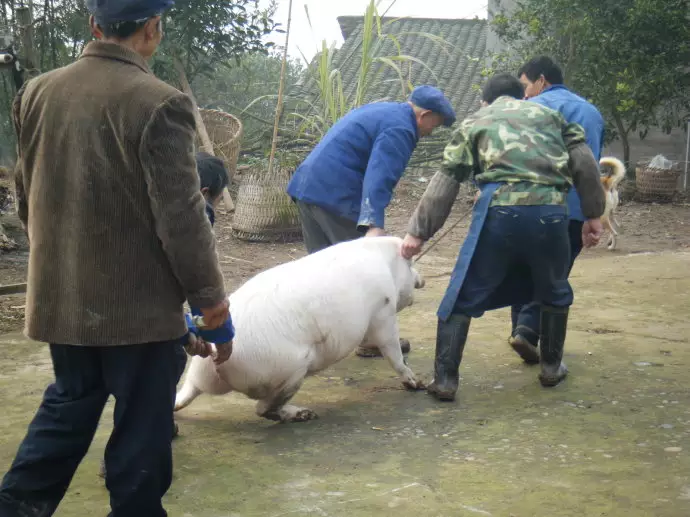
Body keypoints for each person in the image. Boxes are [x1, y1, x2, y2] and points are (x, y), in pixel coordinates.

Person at [0, 2, 231, 516]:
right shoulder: (160, 102)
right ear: (152, 29)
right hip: (139, 314)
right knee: (142, 431)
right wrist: (211, 303)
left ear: (94, 27)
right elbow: (183, 220)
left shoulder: (35, 92)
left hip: (63, 302)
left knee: (68, 409)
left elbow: (25, 191)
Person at [401, 73, 606, 402]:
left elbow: (446, 180)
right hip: (552, 214)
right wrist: (594, 215)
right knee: (554, 291)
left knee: (462, 295)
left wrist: (418, 233)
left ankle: (445, 380)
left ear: (486, 101)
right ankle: (551, 368)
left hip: (501, 213)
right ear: (522, 97)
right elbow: (586, 164)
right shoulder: (553, 116)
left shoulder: (477, 119)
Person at [287, 85, 456, 358]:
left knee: (324, 273)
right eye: (434, 125)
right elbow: (380, 176)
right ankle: (371, 339)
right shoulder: (402, 129)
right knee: (363, 276)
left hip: (308, 190)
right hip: (336, 197)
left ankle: (321, 338)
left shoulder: (383, 110)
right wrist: (372, 223)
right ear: (425, 115)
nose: (431, 132)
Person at [97, 151, 236, 480]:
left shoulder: (134, 199)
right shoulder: (193, 214)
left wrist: (188, 329)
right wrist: (216, 333)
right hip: (145, 317)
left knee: (126, 382)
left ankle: (157, 427)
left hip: (100, 308)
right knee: (154, 376)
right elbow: (198, 280)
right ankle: (124, 460)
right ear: (203, 195)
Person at [508, 56, 606, 364]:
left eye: (525, 85)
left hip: (523, 205)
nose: (523, 93)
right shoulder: (590, 113)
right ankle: (530, 335)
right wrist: (593, 215)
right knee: (554, 275)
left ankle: (521, 332)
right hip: (570, 210)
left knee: (523, 270)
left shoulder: (525, 110)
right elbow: (590, 169)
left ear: (541, 80)